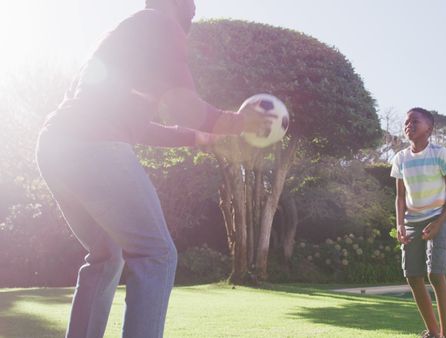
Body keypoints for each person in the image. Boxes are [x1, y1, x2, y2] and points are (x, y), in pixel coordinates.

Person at [35, 1, 272, 337]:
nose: (195, 9)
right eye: (190, 2)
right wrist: (238, 123)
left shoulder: (128, 33)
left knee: (106, 256)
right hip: (93, 147)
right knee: (156, 254)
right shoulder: (161, 25)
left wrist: (197, 137)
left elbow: (137, 127)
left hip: (56, 147)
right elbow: (183, 107)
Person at [390, 107, 446, 338]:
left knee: (436, 274)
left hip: (435, 219)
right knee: (412, 275)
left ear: (429, 128)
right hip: (411, 222)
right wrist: (400, 224)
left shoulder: (440, 154)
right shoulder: (400, 158)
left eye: (415, 121)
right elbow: (400, 196)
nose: (409, 125)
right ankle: (432, 331)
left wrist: (440, 222)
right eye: (406, 122)